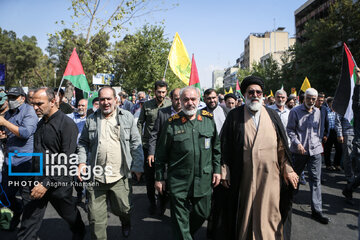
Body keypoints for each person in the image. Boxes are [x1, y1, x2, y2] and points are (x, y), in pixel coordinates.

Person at [217, 76, 297, 240]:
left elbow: (282, 147)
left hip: (270, 178)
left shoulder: (273, 115)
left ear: (263, 94)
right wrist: (224, 170)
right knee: (244, 213)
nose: (255, 95)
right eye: (251, 92)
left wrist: (287, 169)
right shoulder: (234, 116)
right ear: (245, 94)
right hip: (244, 177)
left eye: (258, 92)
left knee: (270, 212)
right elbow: (224, 146)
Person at [18, 87, 85, 240]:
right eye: (33, 104)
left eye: (39, 103)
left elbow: (67, 159)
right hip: (36, 181)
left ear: (53, 101)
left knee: (70, 216)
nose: (35, 107)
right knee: (27, 225)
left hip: (59, 185)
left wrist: (47, 183)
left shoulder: (67, 124)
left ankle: (80, 231)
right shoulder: (41, 124)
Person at [155, 86, 221, 239]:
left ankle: (183, 233)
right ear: (180, 101)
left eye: (193, 99)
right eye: (185, 99)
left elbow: (216, 148)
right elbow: (161, 154)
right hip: (179, 181)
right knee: (180, 218)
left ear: (199, 100)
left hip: (203, 179)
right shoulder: (171, 124)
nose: (189, 103)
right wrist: (159, 178)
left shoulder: (207, 121)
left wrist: (217, 169)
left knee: (203, 212)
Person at [77, 86, 144, 239]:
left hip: (120, 176)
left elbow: (136, 143)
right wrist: (81, 163)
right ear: (98, 101)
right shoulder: (91, 119)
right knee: (95, 219)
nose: (106, 102)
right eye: (102, 99)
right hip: (96, 178)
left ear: (116, 100)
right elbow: (82, 143)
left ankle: (125, 222)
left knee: (124, 209)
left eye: (109, 99)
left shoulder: (126, 117)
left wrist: (138, 166)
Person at [287, 88, 329, 224]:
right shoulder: (295, 111)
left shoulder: (318, 112)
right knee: (295, 177)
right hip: (299, 151)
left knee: (315, 180)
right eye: (309, 98)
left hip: (315, 151)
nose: (311, 101)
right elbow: (290, 130)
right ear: (304, 98)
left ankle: (317, 211)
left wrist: (318, 142)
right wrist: (297, 143)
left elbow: (318, 130)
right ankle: (287, 201)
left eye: (313, 99)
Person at [0, 87, 38, 231]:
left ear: (22, 98)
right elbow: (10, 133)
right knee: (6, 195)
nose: (10, 100)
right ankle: (17, 211)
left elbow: (25, 132)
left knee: (27, 196)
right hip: (10, 161)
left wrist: (5, 123)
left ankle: (28, 229)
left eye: (14, 97)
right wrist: (4, 136)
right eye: (9, 97)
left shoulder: (29, 112)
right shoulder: (9, 113)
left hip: (25, 162)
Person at [137, 80, 171, 215]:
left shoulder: (170, 105)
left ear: (166, 92)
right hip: (147, 146)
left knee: (164, 177)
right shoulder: (146, 105)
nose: (161, 94)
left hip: (164, 147)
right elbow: (140, 123)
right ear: (154, 91)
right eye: (159, 92)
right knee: (150, 178)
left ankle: (162, 203)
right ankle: (152, 202)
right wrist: (139, 140)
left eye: (163, 92)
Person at [147, 88, 181, 215]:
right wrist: (151, 153)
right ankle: (161, 203)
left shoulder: (190, 113)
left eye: (180, 98)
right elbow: (154, 134)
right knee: (163, 183)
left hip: (181, 157)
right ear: (170, 99)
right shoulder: (162, 113)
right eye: (176, 98)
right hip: (165, 155)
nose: (179, 101)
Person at [67, 99, 88, 203]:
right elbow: (60, 117)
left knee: (88, 175)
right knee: (76, 176)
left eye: (83, 105)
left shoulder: (90, 118)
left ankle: (89, 196)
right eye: (79, 105)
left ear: (87, 107)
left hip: (87, 150)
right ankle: (80, 192)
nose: (80, 107)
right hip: (74, 151)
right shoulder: (71, 117)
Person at [336, 113, 355, 184]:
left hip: (357, 133)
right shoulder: (344, 105)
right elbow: (337, 120)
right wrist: (339, 134)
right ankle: (350, 177)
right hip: (347, 133)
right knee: (348, 156)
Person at [323, 97, 342, 171]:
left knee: (339, 149)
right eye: (332, 103)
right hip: (328, 132)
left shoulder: (339, 111)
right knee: (328, 149)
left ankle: (337, 164)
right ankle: (328, 165)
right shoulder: (325, 111)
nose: (334, 104)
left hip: (337, 132)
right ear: (328, 103)